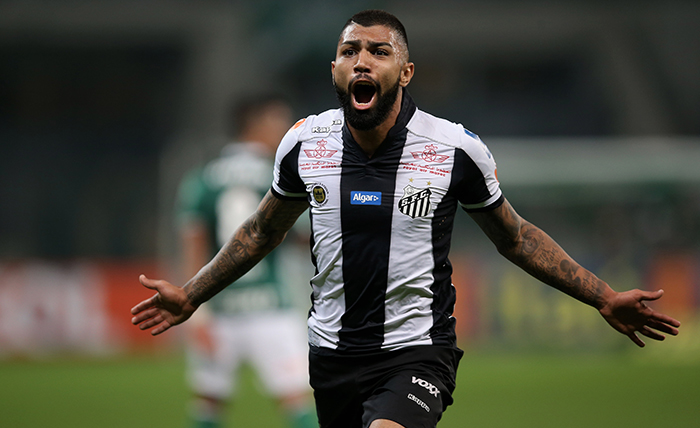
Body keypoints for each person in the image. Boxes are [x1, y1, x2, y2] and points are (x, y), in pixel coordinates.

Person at [132, 10, 681, 428]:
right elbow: (260, 232)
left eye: (379, 51)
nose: (362, 61)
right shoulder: (303, 143)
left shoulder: (454, 149)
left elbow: (515, 238)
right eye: (350, 51)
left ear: (406, 70)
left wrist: (603, 296)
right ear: (334, 69)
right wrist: (192, 294)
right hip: (331, 354)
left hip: (417, 350)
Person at [174, 95, 317, 428]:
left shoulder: (202, 179)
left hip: (218, 308)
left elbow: (193, 245)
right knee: (296, 401)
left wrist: (198, 313)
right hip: (271, 306)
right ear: (256, 125)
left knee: (208, 403)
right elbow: (304, 237)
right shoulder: (278, 174)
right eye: (279, 122)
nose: (286, 131)